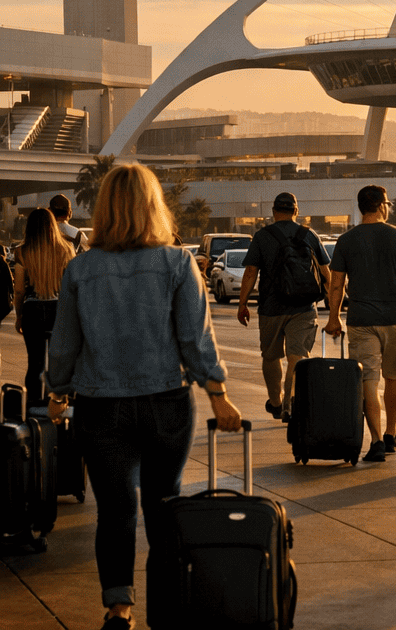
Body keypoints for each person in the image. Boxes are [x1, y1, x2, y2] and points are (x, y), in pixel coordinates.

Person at [46, 163, 241, 630]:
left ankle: (118, 606)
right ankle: (166, 605)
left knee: (114, 510)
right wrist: (218, 394)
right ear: (155, 205)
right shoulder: (177, 263)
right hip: (166, 402)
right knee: (163, 504)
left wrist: (57, 394)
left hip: (99, 404)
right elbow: (195, 339)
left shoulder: (82, 268)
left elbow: (65, 342)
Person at [325, 185, 396, 462]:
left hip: (361, 320)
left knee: (369, 379)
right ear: (382, 206)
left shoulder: (346, 241)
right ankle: (392, 434)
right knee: (394, 376)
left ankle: (377, 440)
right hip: (395, 319)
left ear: (361, 208)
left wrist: (334, 318)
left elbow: (336, 285)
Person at [238, 192, 330, 422]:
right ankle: (290, 404)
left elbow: (250, 272)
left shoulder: (262, 237)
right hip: (304, 306)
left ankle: (277, 403)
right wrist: (335, 306)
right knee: (297, 357)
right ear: (296, 211)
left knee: (271, 356)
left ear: (274, 211)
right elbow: (326, 273)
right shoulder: (309, 235)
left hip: (271, 306)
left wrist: (242, 303)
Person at [13, 208, 75, 407]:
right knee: (60, 363)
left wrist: (19, 315)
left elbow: (19, 290)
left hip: (33, 311)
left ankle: (33, 406)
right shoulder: (66, 249)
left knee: (35, 363)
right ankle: (58, 404)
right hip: (59, 310)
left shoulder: (21, 252)